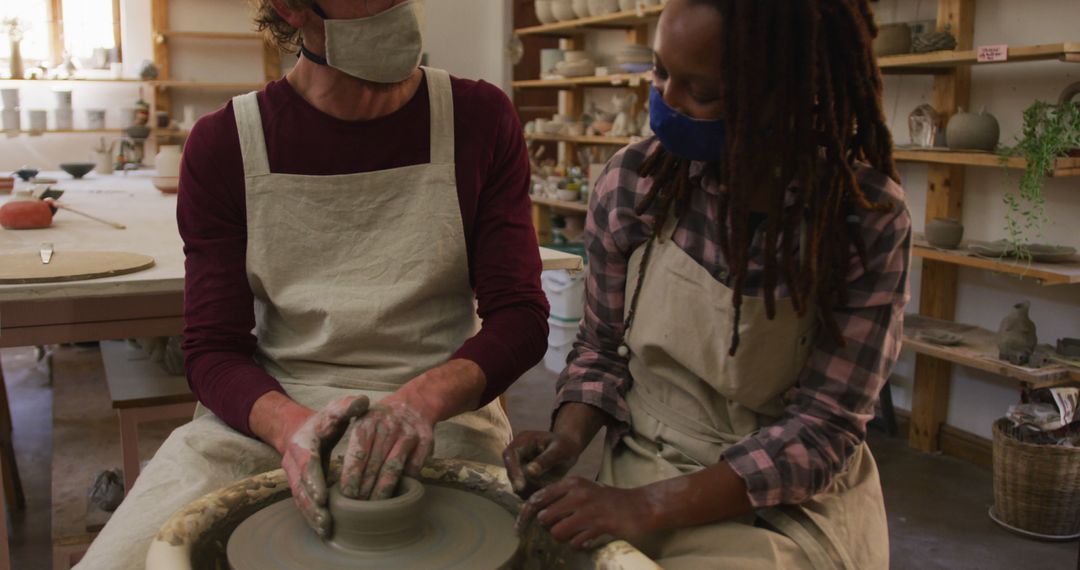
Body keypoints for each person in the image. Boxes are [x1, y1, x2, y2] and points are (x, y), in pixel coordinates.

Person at [77, 0, 548, 567]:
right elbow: (212, 351)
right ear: (291, 8)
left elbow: (520, 315)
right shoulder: (226, 143)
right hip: (272, 413)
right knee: (126, 559)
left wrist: (424, 399)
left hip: (441, 410)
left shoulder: (478, 117)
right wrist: (290, 428)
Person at [505, 0, 911, 568]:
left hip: (783, 498)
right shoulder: (634, 183)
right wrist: (567, 440)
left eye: (702, 92)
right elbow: (600, 351)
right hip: (644, 458)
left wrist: (646, 507)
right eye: (661, 72)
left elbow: (823, 428)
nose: (665, 103)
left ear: (784, 93)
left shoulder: (859, 218)